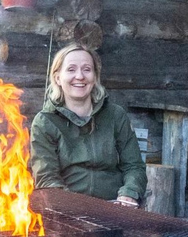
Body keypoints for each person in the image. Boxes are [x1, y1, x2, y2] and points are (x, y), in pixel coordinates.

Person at [30, 44, 147, 205]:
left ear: (95, 77)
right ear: (57, 77)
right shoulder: (45, 122)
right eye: (71, 69)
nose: (80, 76)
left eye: (87, 69)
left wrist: (129, 193)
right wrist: (72, 206)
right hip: (66, 210)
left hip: (114, 207)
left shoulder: (115, 115)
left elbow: (134, 166)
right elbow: (47, 178)